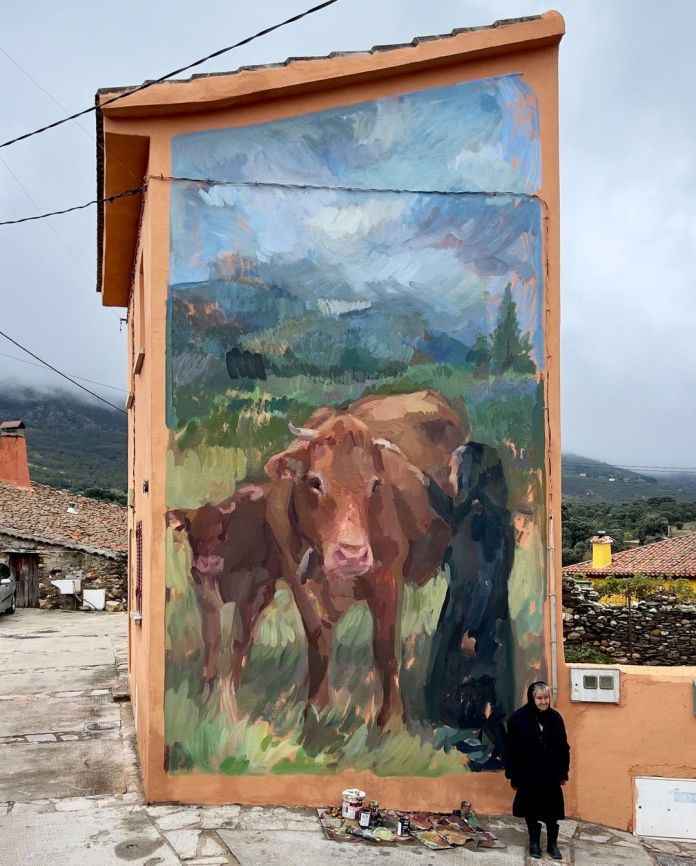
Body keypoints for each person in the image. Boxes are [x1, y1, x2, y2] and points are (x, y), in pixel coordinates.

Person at [505, 681, 570, 860]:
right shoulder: (518, 719)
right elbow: (511, 749)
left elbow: (564, 747)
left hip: (550, 773)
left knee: (552, 811)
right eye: (539, 698)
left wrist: (563, 772)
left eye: (546, 698)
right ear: (532, 698)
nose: (543, 702)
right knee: (530, 809)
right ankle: (534, 843)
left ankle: (552, 844)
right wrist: (513, 776)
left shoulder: (555, 718)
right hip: (528, 773)